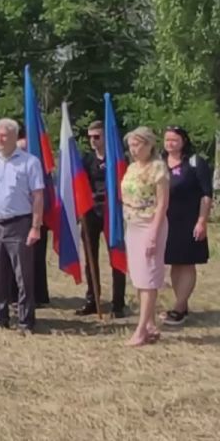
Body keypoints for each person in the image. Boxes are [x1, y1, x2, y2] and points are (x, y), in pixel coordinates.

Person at [0, 119, 45, 335]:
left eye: (4, 135)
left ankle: (25, 320)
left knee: (23, 275)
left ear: (15, 137)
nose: (0, 139)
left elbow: (38, 196)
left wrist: (35, 226)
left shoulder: (29, 162)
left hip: (20, 224)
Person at [121, 127, 169, 346]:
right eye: (131, 145)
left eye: (138, 144)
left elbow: (162, 204)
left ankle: (141, 330)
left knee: (149, 277)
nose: (134, 149)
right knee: (139, 277)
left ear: (149, 145)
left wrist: (153, 234)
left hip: (151, 225)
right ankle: (149, 323)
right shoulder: (131, 167)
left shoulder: (158, 168)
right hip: (133, 224)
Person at [161, 126, 212, 326]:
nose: (170, 143)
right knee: (175, 263)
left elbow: (206, 194)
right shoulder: (159, 163)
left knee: (187, 263)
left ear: (183, 141)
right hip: (168, 222)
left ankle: (179, 308)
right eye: (167, 140)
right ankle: (182, 304)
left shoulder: (195, 162)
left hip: (190, 221)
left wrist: (202, 221)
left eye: (174, 140)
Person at [77, 120, 127, 318]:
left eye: (96, 136)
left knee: (116, 255)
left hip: (111, 210)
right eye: (89, 137)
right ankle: (93, 299)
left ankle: (118, 303)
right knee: (91, 258)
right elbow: (81, 184)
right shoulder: (87, 160)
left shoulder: (117, 158)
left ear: (105, 137)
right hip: (91, 211)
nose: (92, 140)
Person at [15, 134, 50, 305]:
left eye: (25, 149)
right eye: (20, 149)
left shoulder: (36, 165)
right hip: (17, 217)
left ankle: (38, 295)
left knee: (37, 258)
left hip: (37, 215)